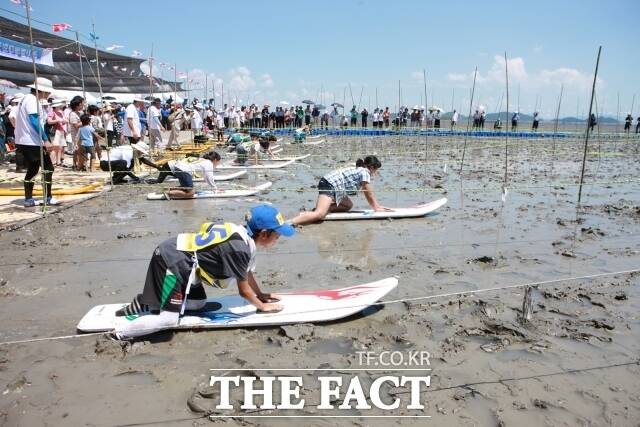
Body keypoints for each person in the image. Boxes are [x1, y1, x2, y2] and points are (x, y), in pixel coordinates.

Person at [112, 204, 295, 339]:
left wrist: (261, 294)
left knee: (198, 304)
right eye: (277, 235)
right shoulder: (240, 248)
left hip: (188, 265)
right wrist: (262, 307)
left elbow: (247, 273)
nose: (278, 239)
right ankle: (117, 334)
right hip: (172, 262)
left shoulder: (244, 237)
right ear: (263, 233)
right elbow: (243, 290)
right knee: (168, 320)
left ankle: (149, 302)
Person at [291, 156, 392, 226]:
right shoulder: (365, 171)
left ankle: (321, 210)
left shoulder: (360, 169)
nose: (376, 172)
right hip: (329, 185)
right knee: (320, 214)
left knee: (348, 205)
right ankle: (290, 223)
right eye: (376, 169)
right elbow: (368, 192)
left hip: (336, 188)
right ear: (371, 167)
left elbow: (363, 189)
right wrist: (376, 207)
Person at [14, 78, 58, 207]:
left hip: (24, 140)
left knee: (33, 169)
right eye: (47, 92)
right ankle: (48, 197)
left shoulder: (24, 99)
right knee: (48, 168)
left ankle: (29, 199)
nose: (48, 95)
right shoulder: (33, 100)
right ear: (42, 91)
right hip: (32, 141)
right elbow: (34, 121)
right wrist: (45, 140)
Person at [158, 151, 222, 199]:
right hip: (183, 170)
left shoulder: (204, 160)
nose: (218, 164)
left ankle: (168, 189)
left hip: (178, 168)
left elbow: (206, 177)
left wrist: (213, 188)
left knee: (186, 188)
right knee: (191, 193)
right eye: (219, 162)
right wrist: (215, 189)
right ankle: (169, 193)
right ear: (215, 160)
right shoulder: (209, 163)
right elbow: (209, 177)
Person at [67, 96, 84, 170]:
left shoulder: (81, 113)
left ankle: (80, 164)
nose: (83, 105)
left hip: (82, 134)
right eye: (81, 104)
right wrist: (85, 121)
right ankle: (75, 164)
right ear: (77, 105)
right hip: (76, 135)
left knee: (82, 150)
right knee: (77, 150)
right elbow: (76, 125)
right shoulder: (72, 114)